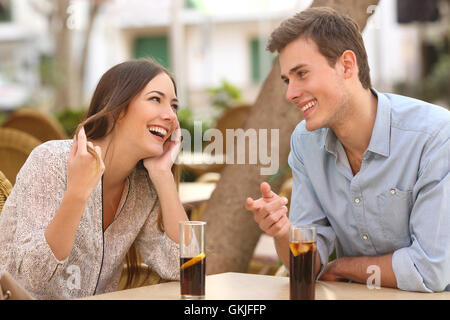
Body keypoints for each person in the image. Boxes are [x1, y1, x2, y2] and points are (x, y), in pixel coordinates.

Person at [246, 7, 450, 292]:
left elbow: (430, 270)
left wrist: (343, 267)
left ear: (347, 65)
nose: (290, 93)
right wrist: (283, 232)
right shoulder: (306, 142)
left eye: (301, 73)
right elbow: (308, 266)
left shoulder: (434, 136)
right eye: (287, 80)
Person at [0, 59, 189, 299]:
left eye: (174, 106)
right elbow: (31, 278)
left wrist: (163, 177)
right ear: (118, 109)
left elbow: (183, 267)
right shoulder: (51, 161)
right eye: (156, 99)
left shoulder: (142, 186)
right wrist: (77, 192)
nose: (170, 115)